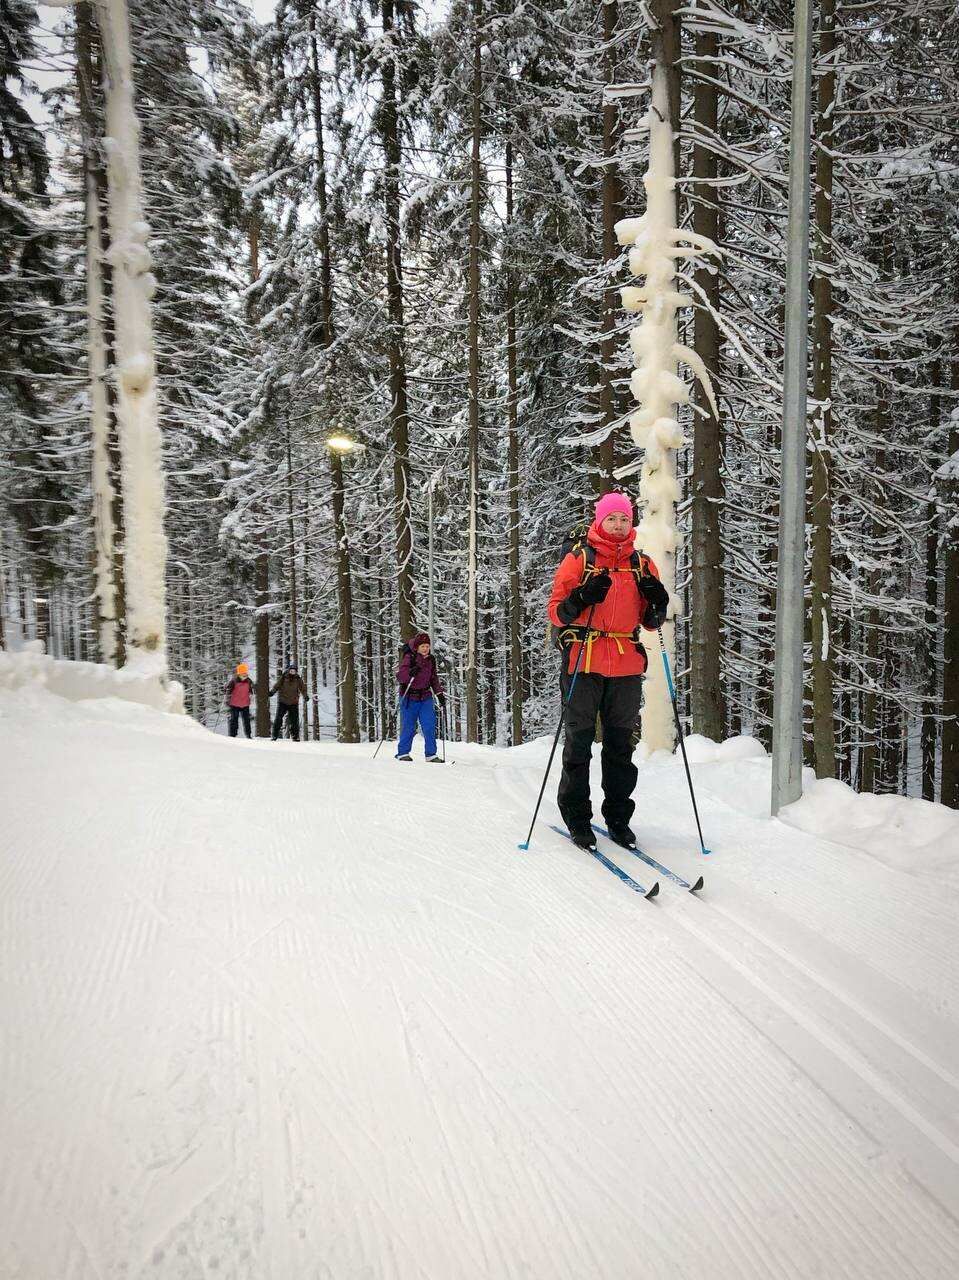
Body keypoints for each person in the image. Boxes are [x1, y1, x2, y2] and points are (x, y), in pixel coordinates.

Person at [547, 491, 669, 850]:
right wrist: (582, 597)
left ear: (631, 523)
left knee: (620, 748)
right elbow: (557, 612)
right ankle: (577, 816)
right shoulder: (579, 559)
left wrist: (658, 602)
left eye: (624, 519)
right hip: (584, 659)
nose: (618, 525)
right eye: (612, 519)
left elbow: (651, 623)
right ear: (599, 521)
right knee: (579, 744)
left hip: (626, 664)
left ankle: (618, 817)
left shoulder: (642, 565)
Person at [395, 632, 445, 762]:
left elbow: (433, 678)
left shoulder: (431, 660)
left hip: (425, 697)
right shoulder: (409, 657)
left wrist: (439, 694)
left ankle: (431, 754)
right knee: (409, 726)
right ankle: (403, 753)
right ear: (417, 647)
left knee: (429, 725)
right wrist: (411, 673)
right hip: (409, 697)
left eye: (427, 646)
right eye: (423, 646)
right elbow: (401, 676)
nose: (425, 648)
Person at [270, 664, 306, 741]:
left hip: (293, 702)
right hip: (283, 701)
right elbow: (277, 686)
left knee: (294, 720)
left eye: (294, 671)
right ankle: (274, 735)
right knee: (278, 719)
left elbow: (303, 689)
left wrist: (305, 696)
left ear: (296, 672)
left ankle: (295, 736)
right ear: (289, 670)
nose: (292, 672)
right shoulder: (284, 677)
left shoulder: (298, 679)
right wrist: (272, 692)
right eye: (291, 670)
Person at [224, 663, 254, 738]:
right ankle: (232, 735)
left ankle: (248, 735)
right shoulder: (233, 681)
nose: (244, 675)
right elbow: (227, 690)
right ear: (239, 674)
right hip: (234, 704)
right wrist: (227, 692)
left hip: (245, 704)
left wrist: (251, 695)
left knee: (247, 721)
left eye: (245, 673)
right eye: (243, 674)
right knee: (234, 721)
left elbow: (251, 690)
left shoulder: (249, 681)